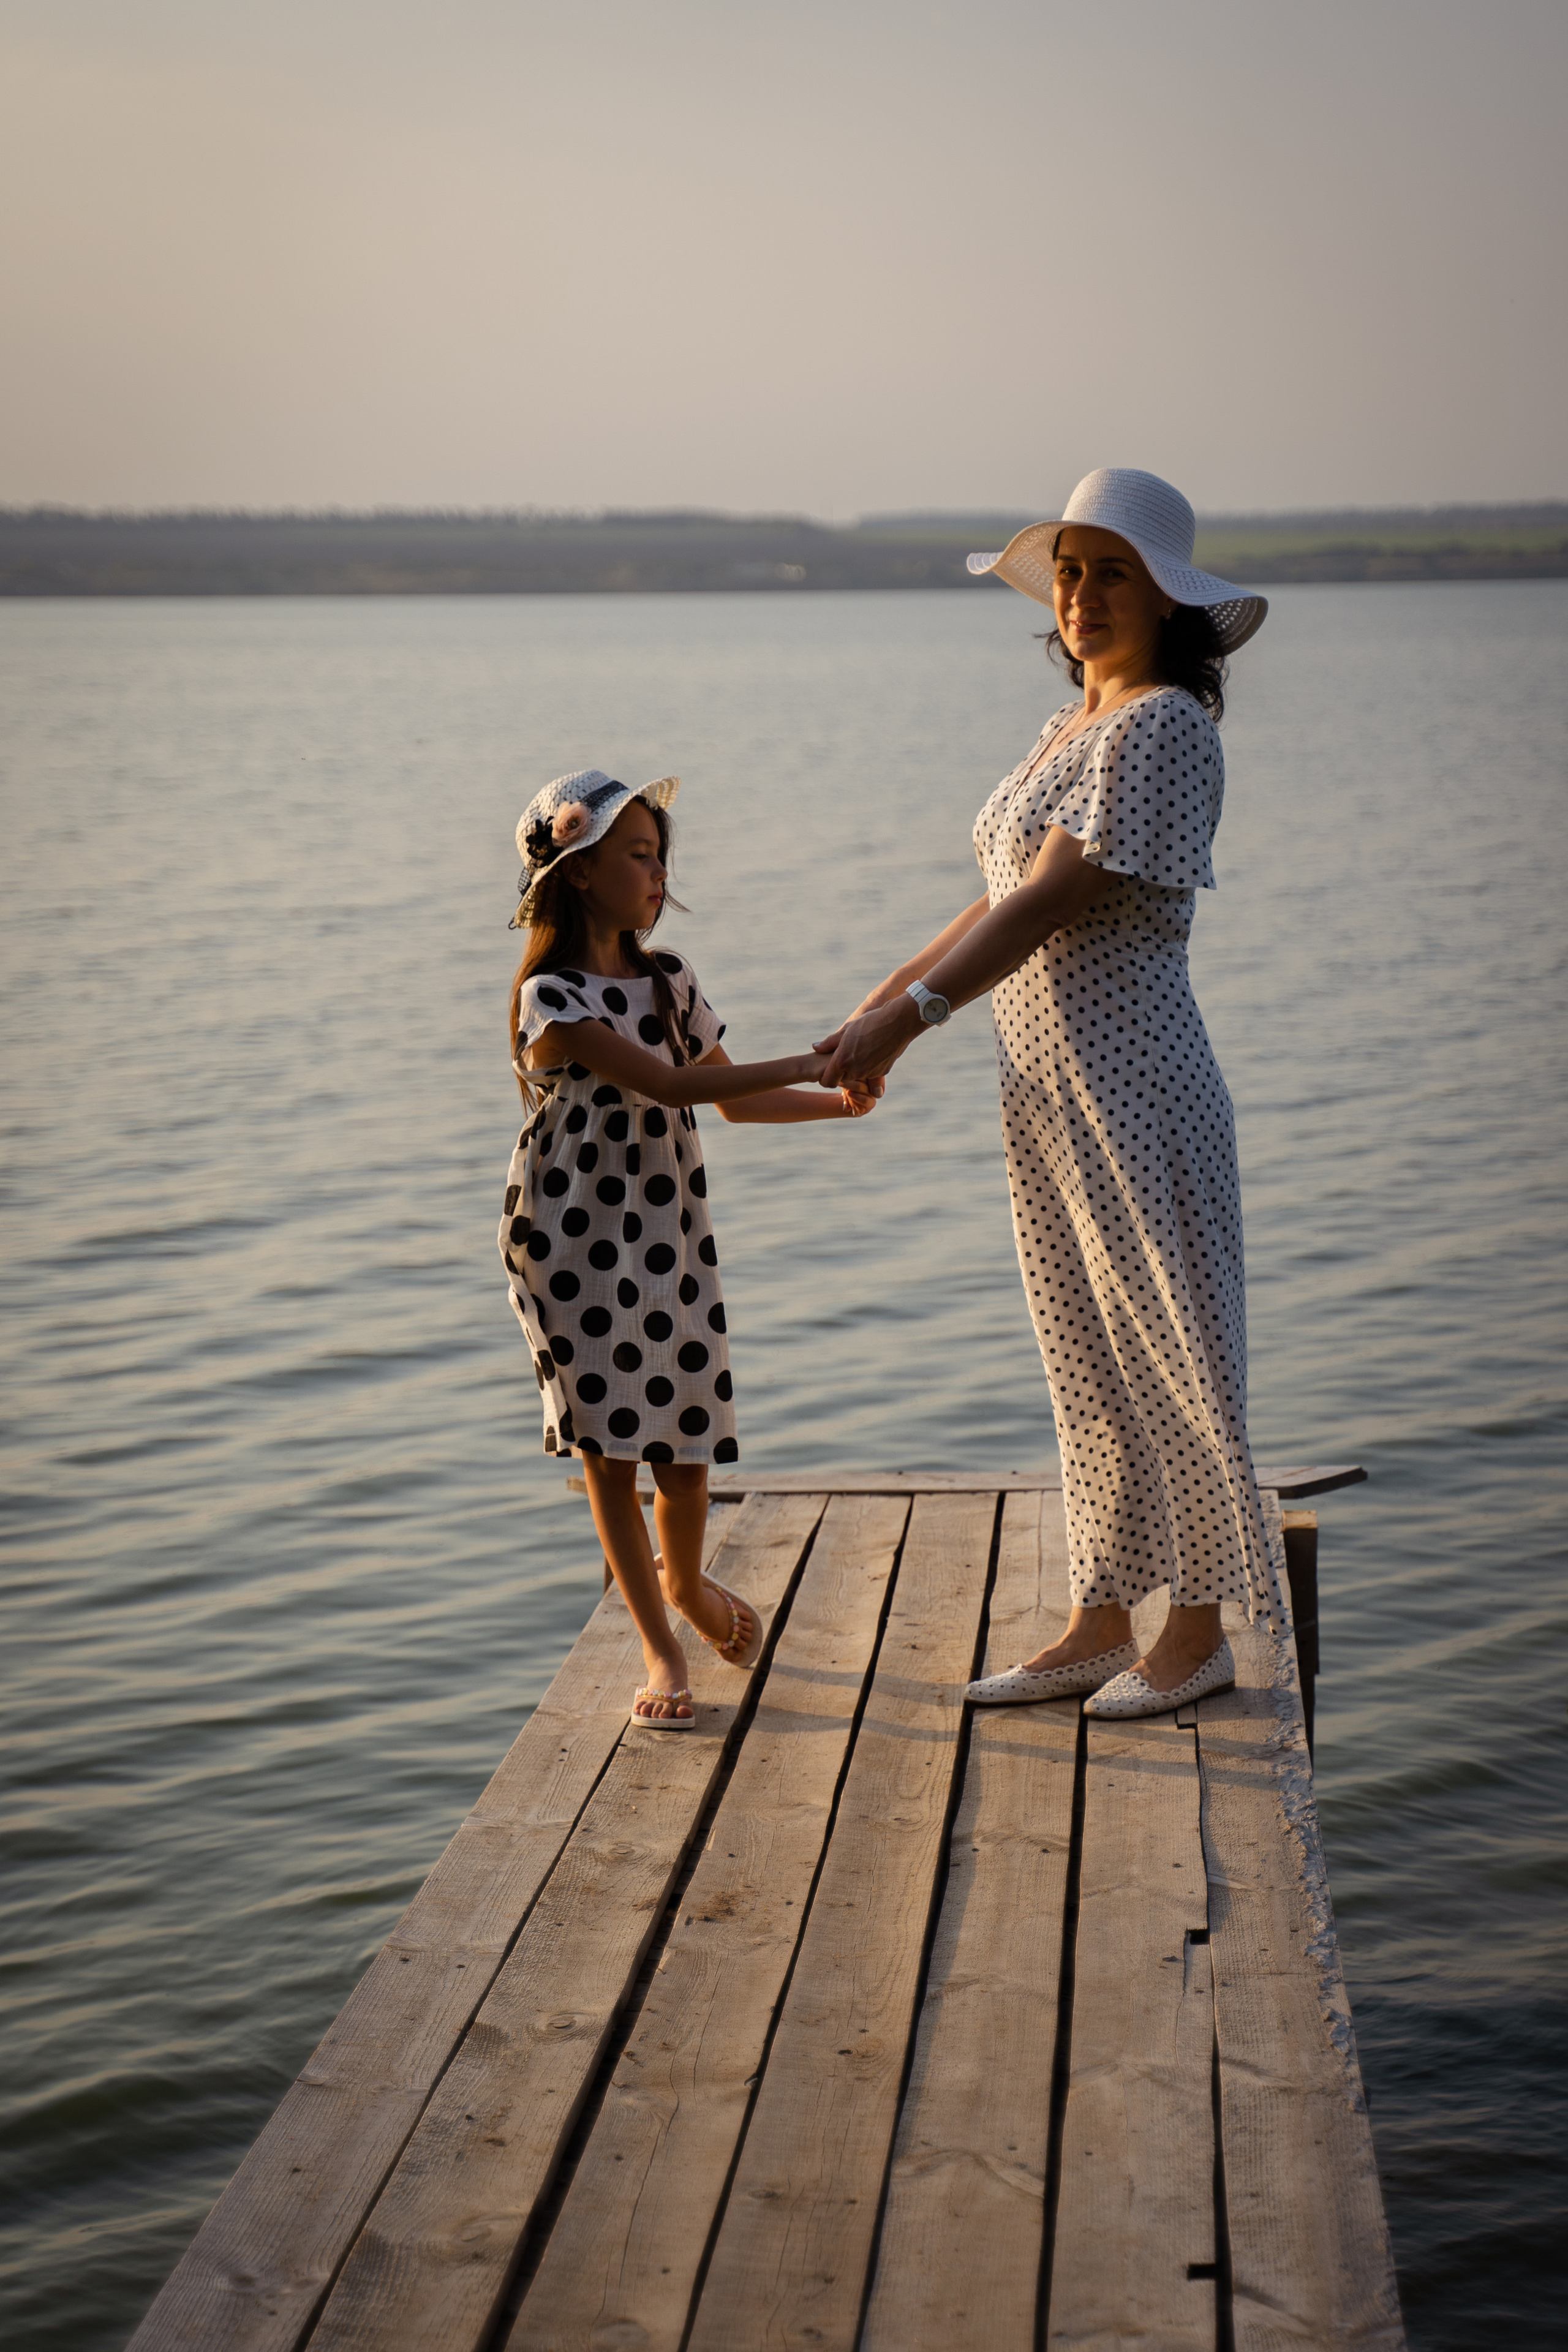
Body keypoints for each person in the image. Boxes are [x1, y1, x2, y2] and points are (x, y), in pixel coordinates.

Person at [816, 469, 1289, 1719]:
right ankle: (1095, 1621)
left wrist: (906, 1024)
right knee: (1081, 1356)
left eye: (1109, 570)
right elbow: (991, 893)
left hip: (1139, 1088)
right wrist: (882, 994)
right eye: (1067, 571)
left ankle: (1195, 1638)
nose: (1079, 594)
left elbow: (1047, 901)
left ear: (1166, 598)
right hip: (1042, 1090)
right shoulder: (1068, 728)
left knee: (1172, 1353)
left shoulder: (1164, 726)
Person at [500, 769, 874, 1728]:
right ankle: (667, 1650)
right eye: (636, 855)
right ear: (578, 872)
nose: (658, 873)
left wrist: (835, 1100)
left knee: (685, 1436)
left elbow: (733, 1097)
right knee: (609, 1453)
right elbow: (668, 1088)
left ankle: (690, 1587)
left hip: (667, 1237)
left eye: (663, 856)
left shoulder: (672, 981)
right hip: (574, 1239)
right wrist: (811, 1054)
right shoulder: (554, 995)